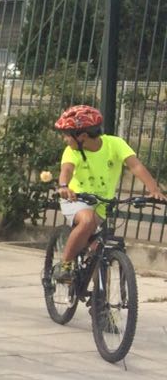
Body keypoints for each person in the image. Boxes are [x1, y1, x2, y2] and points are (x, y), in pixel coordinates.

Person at [51, 104, 166, 281]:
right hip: (76, 198)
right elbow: (66, 170)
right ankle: (65, 264)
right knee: (87, 221)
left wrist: (153, 190)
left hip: (103, 203)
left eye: (67, 135)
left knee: (98, 251)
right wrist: (64, 186)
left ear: (82, 136)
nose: (64, 139)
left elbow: (135, 166)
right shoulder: (72, 151)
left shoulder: (115, 144)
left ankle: (99, 296)